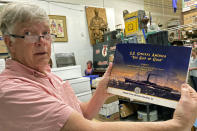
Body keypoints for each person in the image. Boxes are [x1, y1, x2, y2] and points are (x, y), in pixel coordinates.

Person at [0, 2, 197, 131]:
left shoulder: (48, 76)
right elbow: (87, 128)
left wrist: (102, 91)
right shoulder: (12, 91)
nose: (42, 41)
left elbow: (82, 114)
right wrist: (177, 125)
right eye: (29, 34)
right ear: (9, 42)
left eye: (46, 33)